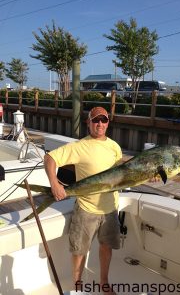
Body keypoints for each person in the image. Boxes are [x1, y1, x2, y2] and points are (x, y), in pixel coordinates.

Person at [44, 106, 122, 294]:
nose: (100, 124)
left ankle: (104, 283)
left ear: (108, 123)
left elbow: (121, 172)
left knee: (106, 248)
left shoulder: (114, 146)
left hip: (110, 209)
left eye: (103, 120)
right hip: (86, 209)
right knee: (80, 252)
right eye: (95, 120)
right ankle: (77, 287)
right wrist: (54, 184)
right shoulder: (80, 146)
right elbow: (50, 158)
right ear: (88, 123)